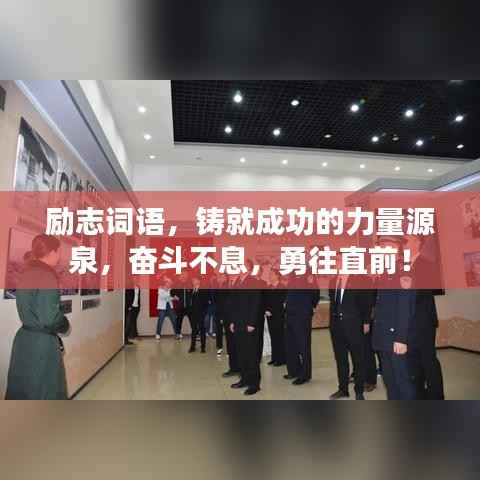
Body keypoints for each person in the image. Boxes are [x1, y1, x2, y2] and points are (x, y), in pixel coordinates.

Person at [6, 234, 70, 399]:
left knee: (23, 391)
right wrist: (64, 324)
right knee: (45, 392)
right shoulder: (47, 276)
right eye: (58, 252)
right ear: (52, 252)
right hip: (42, 345)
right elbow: (49, 318)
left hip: (24, 340)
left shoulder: (27, 273)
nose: (59, 257)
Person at [372, 236, 417, 400]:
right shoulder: (385, 271)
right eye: (381, 247)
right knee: (390, 380)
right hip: (383, 335)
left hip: (395, 337)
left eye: (386, 246)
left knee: (402, 381)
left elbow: (405, 307)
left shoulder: (403, 270)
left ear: (397, 248)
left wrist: (400, 338)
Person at [405, 235, 445, 400]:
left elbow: (422, 291)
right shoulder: (406, 265)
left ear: (417, 243)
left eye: (407, 241)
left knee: (428, 361)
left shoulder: (426, 264)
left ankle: (437, 397)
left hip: (424, 322)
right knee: (414, 361)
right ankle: (420, 396)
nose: (403, 244)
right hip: (410, 322)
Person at [328, 271, 375, 400]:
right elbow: (333, 304)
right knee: (340, 359)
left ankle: (359, 391)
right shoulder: (333, 280)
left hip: (354, 325)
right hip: (336, 327)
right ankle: (343, 389)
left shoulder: (361, 279)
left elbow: (367, 302)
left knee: (358, 359)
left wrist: (366, 321)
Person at [225, 261, 262, 395]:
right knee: (241, 353)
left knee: (251, 354)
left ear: (249, 269)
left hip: (248, 324)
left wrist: (252, 323)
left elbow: (256, 302)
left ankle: (254, 384)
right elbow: (234, 304)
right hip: (238, 323)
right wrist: (232, 322)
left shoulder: (253, 281)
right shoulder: (237, 282)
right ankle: (244, 379)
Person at [284, 274, 320, 385]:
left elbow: (315, 293)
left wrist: (310, 307)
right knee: (290, 344)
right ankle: (294, 370)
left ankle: (305, 375)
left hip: (302, 314)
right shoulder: (292, 274)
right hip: (290, 312)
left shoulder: (309, 275)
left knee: (303, 345)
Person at [264, 269, 287, 366]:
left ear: (277, 276)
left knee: (280, 337)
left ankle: (281, 359)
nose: (270, 276)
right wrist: (266, 309)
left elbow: (282, 303)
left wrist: (272, 310)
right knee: (273, 337)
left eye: (271, 274)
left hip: (279, 316)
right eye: (269, 274)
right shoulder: (268, 287)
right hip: (270, 316)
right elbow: (265, 301)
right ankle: (275, 357)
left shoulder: (282, 287)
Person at [188, 276, 209, 353]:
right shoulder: (191, 290)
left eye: (194, 280)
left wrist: (204, 313)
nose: (193, 281)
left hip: (201, 313)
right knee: (194, 330)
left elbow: (206, 303)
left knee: (202, 330)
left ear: (199, 281)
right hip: (193, 314)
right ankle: (192, 347)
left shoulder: (203, 290)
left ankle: (203, 347)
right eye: (192, 280)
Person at [171, 271, 190, 340]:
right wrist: (175, 296)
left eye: (186, 274)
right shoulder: (176, 283)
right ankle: (178, 334)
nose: (185, 276)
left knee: (193, 320)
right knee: (179, 320)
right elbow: (171, 292)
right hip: (179, 306)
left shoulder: (189, 283)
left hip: (188, 306)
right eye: (183, 274)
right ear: (181, 275)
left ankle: (196, 334)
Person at [213, 273, 228, 355]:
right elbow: (215, 299)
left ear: (225, 278)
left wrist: (223, 316)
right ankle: (219, 347)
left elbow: (226, 303)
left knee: (228, 331)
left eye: (222, 277)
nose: (220, 278)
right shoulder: (217, 287)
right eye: (220, 277)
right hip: (218, 312)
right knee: (218, 331)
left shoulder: (228, 287)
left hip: (226, 313)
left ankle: (229, 349)